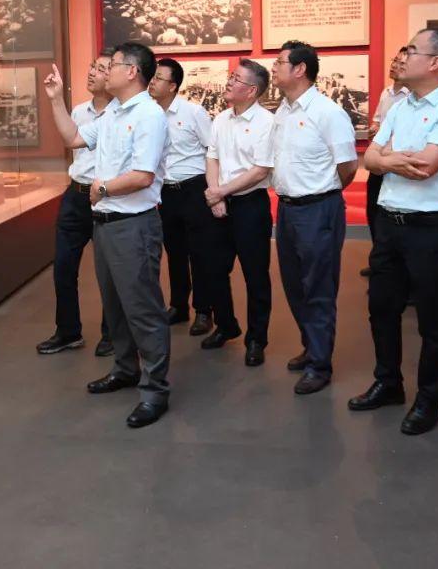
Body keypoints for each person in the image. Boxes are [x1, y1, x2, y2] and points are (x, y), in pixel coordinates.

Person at [348, 28, 438, 435]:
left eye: (411, 50)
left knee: (433, 319)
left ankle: (428, 400)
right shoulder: (402, 104)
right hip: (390, 222)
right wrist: (389, 159)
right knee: (382, 308)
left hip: (434, 228)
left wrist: (387, 159)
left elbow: (425, 166)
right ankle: (388, 382)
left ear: (436, 62)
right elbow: (370, 159)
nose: (403, 57)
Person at [44, 43, 171, 429]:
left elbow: (143, 176)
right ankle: (125, 369)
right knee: (115, 306)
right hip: (106, 224)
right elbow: (73, 138)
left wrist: (102, 189)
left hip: (133, 225)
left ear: (132, 71)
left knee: (143, 309)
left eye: (111, 65)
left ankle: (155, 390)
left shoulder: (149, 115)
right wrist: (55, 99)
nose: (104, 71)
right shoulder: (113, 112)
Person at [271, 41, 358, 393]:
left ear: (300, 69)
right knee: (294, 285)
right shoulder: (283, 110)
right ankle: (311, 347)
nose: (273, 67)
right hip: (287, 209)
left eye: (280, 62)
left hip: (319, 209)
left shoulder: (328, 113)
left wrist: (323, 194)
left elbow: (348, 167)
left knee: (318, 287)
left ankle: (320, 365)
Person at [36, 52, 114, 357]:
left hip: (107, 197)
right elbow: (71, 143)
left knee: (108, 271)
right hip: (76, 196)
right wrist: (56, 99)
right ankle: (68, 331)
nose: (92, 72)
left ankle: (112, 333)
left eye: (101, 68)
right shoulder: (80, 112)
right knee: (63, 267)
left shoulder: (123, 115)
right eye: (92, 66)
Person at [202, 59, 275, 365]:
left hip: (250, 206)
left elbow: (260, 171)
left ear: (252, 90)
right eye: (231, 77)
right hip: (220, 202)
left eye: (236, 79)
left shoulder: (266, 123)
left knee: (255, 275)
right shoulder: (221, 119)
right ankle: (226, 325)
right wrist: (215, 194)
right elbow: (212, 158)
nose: (229, 82)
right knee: (213, 269)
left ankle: (256, 339)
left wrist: (222, 191)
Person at [148, 58, 216, 337]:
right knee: (174, 251)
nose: (152, 82)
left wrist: (214, 192)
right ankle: (178, 306)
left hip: (194, 189)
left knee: (200, 252)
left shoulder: (193, 112)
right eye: (152, 77)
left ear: (173, 86)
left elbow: (213, 150)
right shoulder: (149, 114)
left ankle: (204, 310)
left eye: (159, 78)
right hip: (166, 192)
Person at [362, 49, 410, 276]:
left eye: (401, 63)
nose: (395, 66)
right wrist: (374, 128)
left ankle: (397, 270)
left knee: (394, 218)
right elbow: (378, 120)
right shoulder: (387, 92)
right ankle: (379, 262)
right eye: (394, 61)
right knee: (374, 212)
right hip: (378, 161)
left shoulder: (411, 96)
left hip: (396, 164)